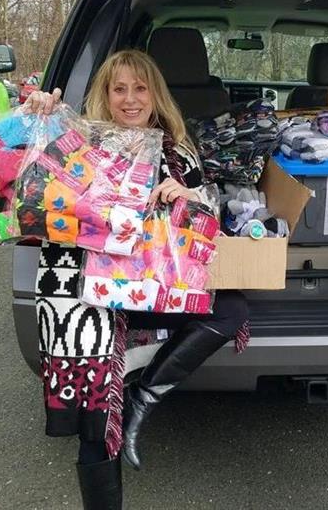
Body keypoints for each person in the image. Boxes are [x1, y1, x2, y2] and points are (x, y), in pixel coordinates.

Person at [24, 50, 249, 510]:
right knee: (95, 408)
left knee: (231, 310)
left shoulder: (176, 147)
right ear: (105, 95)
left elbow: (208, 218)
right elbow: (26, 183)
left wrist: (189, 195)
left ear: (155, 94)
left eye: (140, 88)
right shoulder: (78, 141)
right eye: (119, 88)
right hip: (86, 287)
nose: (130, 99)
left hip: (150, 282)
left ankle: (143, 400)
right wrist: (38, 118)